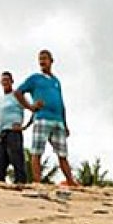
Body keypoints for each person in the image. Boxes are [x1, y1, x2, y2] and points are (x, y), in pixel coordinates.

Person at [14, 49, 76, 186]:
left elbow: (61, 102)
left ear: (51, 61)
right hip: (42, 118)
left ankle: (71, 181)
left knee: (63, 153)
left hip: (58, 120)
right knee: (37, 151)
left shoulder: (56, 81)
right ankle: (37, 181)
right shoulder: (35, 78)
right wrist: (30, 107)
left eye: (45, 58)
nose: (42, 61)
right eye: (40, 59)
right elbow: (18, 92)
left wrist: (65, 124)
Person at [0, 71, 28, 184]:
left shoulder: (17, 95)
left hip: (13, 132)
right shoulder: (1, 99)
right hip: (1, 133)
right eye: (3, 80)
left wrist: (25, 126)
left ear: (12, 81)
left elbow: (33, 109)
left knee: (17, 160)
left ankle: (21, 183)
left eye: (7, 80)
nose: (5, 82)